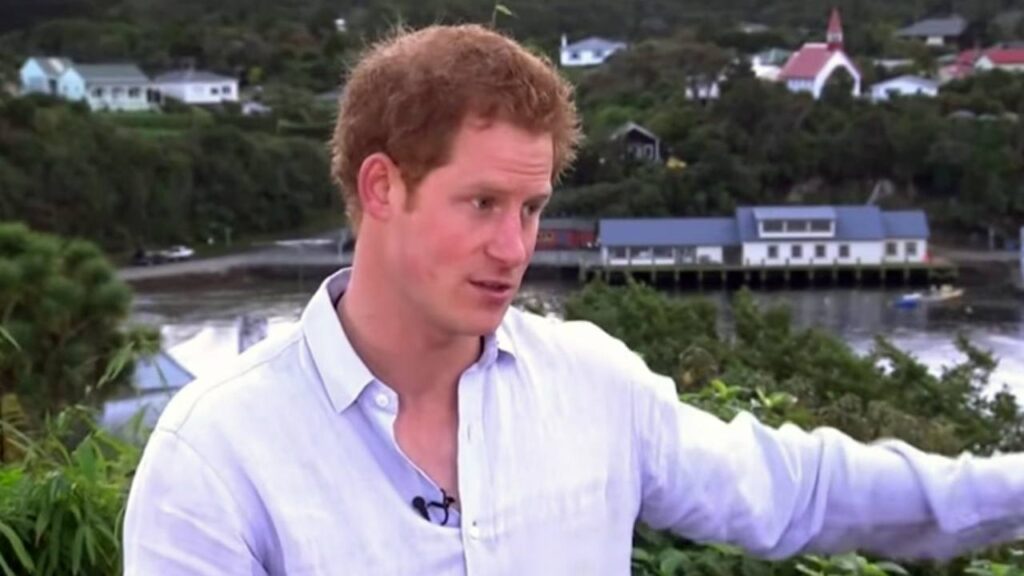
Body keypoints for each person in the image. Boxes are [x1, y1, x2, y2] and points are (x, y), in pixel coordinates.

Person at [122, 24, 1024, 575]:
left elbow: (798, 492)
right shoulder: (218, 454)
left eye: (532, 208)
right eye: (482, 204)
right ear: (383, 186)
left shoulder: (593, 385)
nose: (516, 249)